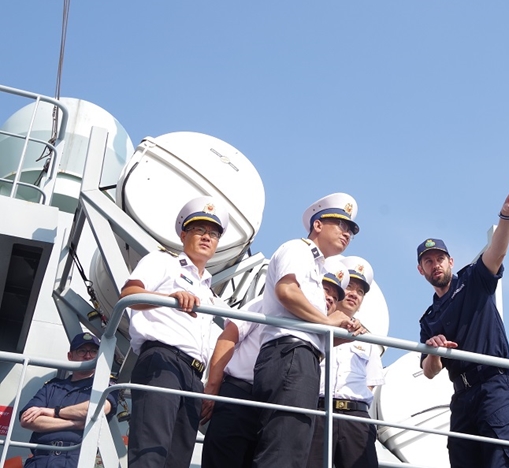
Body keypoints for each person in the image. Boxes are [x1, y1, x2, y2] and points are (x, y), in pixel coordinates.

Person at [417, 182, 509, 468]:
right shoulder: (428, 319)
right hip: (461, 397)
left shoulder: (473, 281)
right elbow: (429, 371)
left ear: (450, 261)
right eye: (428, 261)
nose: (435, 264)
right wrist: (434, 352)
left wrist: (506, 215)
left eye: (440, 258)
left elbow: (496, 254)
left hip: (494, 386)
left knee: (502, 461)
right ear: (421, 270)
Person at [199, 257, 349, 468]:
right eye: (326, 289)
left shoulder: (318, 334)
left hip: (277, 400)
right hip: (240, 395)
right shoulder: (270, 303)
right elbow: (229, 335)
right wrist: (212, 387)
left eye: (335, 297)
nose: (330, 299)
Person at [252, 193, 364, 468]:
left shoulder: (317, 265)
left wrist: (339, 329)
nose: (347, 234)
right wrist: (326, 322)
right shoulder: (298, 250)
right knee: (283, 449)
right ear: (317, 225)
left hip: (302, 357)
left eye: (351, 230)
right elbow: (287, 291)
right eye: (341, 225)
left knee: (294, 448)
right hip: (291, 354)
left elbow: (309, 323)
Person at [120, 196, 229, 468]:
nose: (207, 237)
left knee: (177, 461)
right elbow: (130, 293)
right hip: (163, 362)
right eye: (199, 230)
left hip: (194, 377)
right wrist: (170, 297)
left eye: (213, 234)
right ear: (183, 235)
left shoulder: (209, 291)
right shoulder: (163, 262)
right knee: (150, 455)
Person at [306, 255, 384, 468]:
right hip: (318, 411)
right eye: (350, 287)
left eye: (360, 291)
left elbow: (370, 382)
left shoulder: (368, 339)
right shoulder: (313, 327)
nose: (354, 294)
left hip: (355, 419)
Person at [19, 332, 117, 468]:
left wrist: (54, 412)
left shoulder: (105, 386)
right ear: (70, 356)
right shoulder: (52, 386)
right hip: (41, 459)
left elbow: (98, 409)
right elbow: (27, 419)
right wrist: (74, 423)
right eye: (82, 351)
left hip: (77, 460)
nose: (88, 355)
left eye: (94, 351)